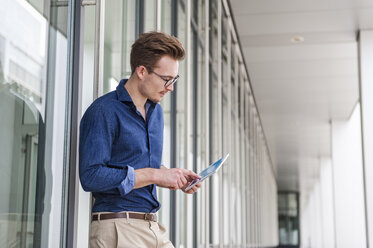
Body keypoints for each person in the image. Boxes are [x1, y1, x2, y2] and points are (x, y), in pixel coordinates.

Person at [79, 31, 202, 248]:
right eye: (166, 79)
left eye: (174, 79)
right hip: (118, 227)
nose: (171, 87)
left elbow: (141, 165)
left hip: (152, 226)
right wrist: (155, 175)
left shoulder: (155, 113)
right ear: (142, 71)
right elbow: (91, 176)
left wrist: (174, 176)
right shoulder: (104, 111)